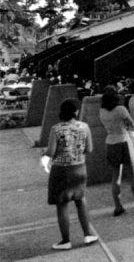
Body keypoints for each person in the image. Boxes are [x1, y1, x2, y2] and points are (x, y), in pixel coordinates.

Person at [43, 98, 97, 250]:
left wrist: (44, 153)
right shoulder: (84, 127)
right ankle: (88, 235)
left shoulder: (56, 129)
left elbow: (51, 152)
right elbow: (89, 149)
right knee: (81, 201)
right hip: (79, 168)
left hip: (61, 169)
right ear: (76, 112)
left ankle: (65, 241)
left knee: (62, 205)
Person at [99, 87, 134, 216]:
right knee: (133, 174)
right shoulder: (120, 109)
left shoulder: (102, 111)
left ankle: (118, 206)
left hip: (110, 142)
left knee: (115, 176)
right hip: (124, 141)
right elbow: (132, 124)